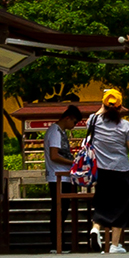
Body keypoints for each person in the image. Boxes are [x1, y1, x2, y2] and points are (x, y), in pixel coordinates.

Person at [86, 87, 129, 255]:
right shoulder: (125, 125)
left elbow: (99, 113)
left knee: (102, 203)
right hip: (121, 170)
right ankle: (114, 245)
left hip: (102, 171)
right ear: (120, 107)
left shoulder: (93, 121)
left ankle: (95, 229)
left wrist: (105, 102)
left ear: (104, 105)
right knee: (121, 206)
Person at [43, 99, 82, 243]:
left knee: (63, 211)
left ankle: (60, 241)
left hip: (65, 176)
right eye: (74, 122)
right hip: (57, 176)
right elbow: (54, 155)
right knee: (59, 211)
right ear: (67, 118)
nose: (74, 126)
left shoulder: (61, 132)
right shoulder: (55, 132)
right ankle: (57, 242)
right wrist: (73, 162)